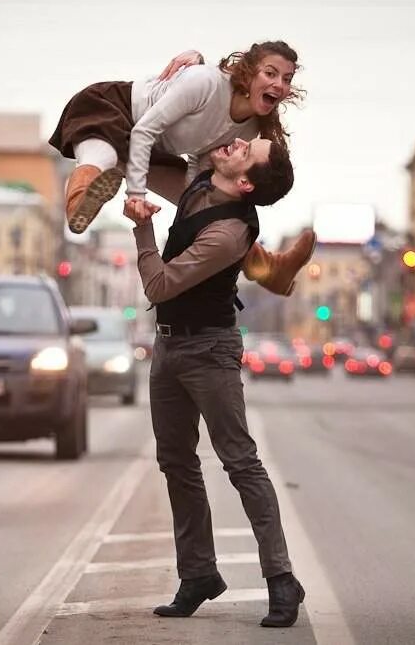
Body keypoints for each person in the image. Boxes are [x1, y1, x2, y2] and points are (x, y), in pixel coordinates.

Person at [123, 135, 305, 628]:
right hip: (168, 347)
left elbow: (158, 285)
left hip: (209, 349)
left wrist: (142, 229)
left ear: (245, 182)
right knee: (176, 462)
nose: (236, 143)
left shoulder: (229, 233)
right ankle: (199, 574)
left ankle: (281, 579)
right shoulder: (203, 177)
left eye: (248, 149)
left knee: (240, 461)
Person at [49, 41, 316, 296]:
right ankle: (81, 201)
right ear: (248, 73)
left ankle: (270, 269)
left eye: (287, 79)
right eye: (271, 73)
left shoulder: (250, 128)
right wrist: (137, 196)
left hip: (156, 150)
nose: (279, 84)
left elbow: (200, 161)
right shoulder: (205, 83)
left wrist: (193, 211)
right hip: (113, 110)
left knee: (210, 205)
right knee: (101, 156)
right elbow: (144, 131)